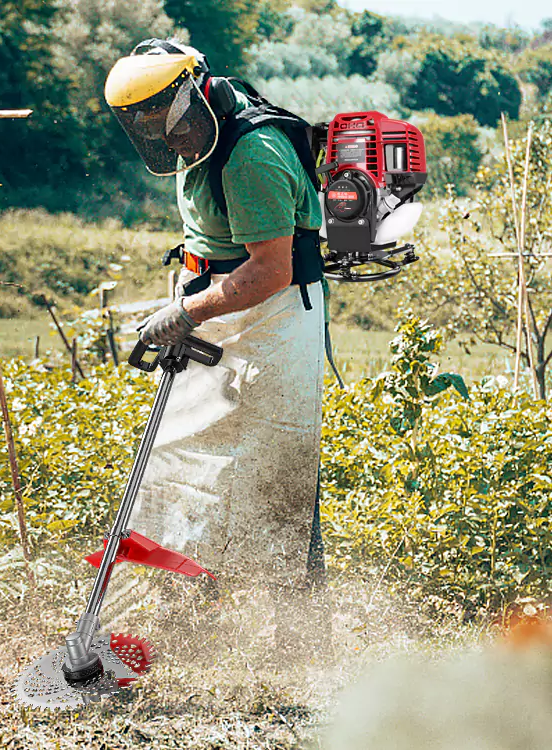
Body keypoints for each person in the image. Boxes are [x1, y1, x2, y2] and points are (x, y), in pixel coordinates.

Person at [104, 38, 328, 660]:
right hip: (222, 312)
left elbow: (270, 270)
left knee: (277, 474)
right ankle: (186, 630)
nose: (163, 137)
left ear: (193, 93)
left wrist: (183, 311)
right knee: (191, 470)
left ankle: (301, 643)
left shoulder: (249, 155)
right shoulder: (197, 137)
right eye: (145, 127)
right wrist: (190, 297)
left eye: (167, 122)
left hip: (272, 322)